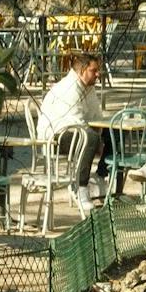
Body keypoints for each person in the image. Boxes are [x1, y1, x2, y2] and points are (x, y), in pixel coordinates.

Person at [37, 51, 104, 218]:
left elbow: (97, 117)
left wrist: (104, 136)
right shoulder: (69, 89)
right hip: (54, 138)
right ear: (82, 71)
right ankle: (80, 187)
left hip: (75, 131)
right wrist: (98, 143)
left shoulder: (88, 87)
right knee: (89, 137)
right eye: (94, 70)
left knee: (112, 133)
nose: (98, 74)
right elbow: (79, 125)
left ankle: (101, 176)